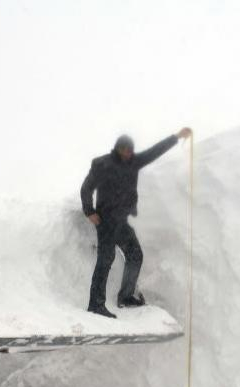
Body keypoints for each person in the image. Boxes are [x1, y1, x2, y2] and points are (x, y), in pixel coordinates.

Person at [81, 127, 192, 318]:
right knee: (105, 260)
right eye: (123, 149)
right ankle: (95, 304)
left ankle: (125, 297)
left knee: (135, 254)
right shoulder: (103, 164)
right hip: (106, 221)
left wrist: (177, 137)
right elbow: (86, 188)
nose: (127, 153)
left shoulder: (133, 163)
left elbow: (155, 151)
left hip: (122, 222)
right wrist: (89, 211)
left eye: (129, 150)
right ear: (117, 148)